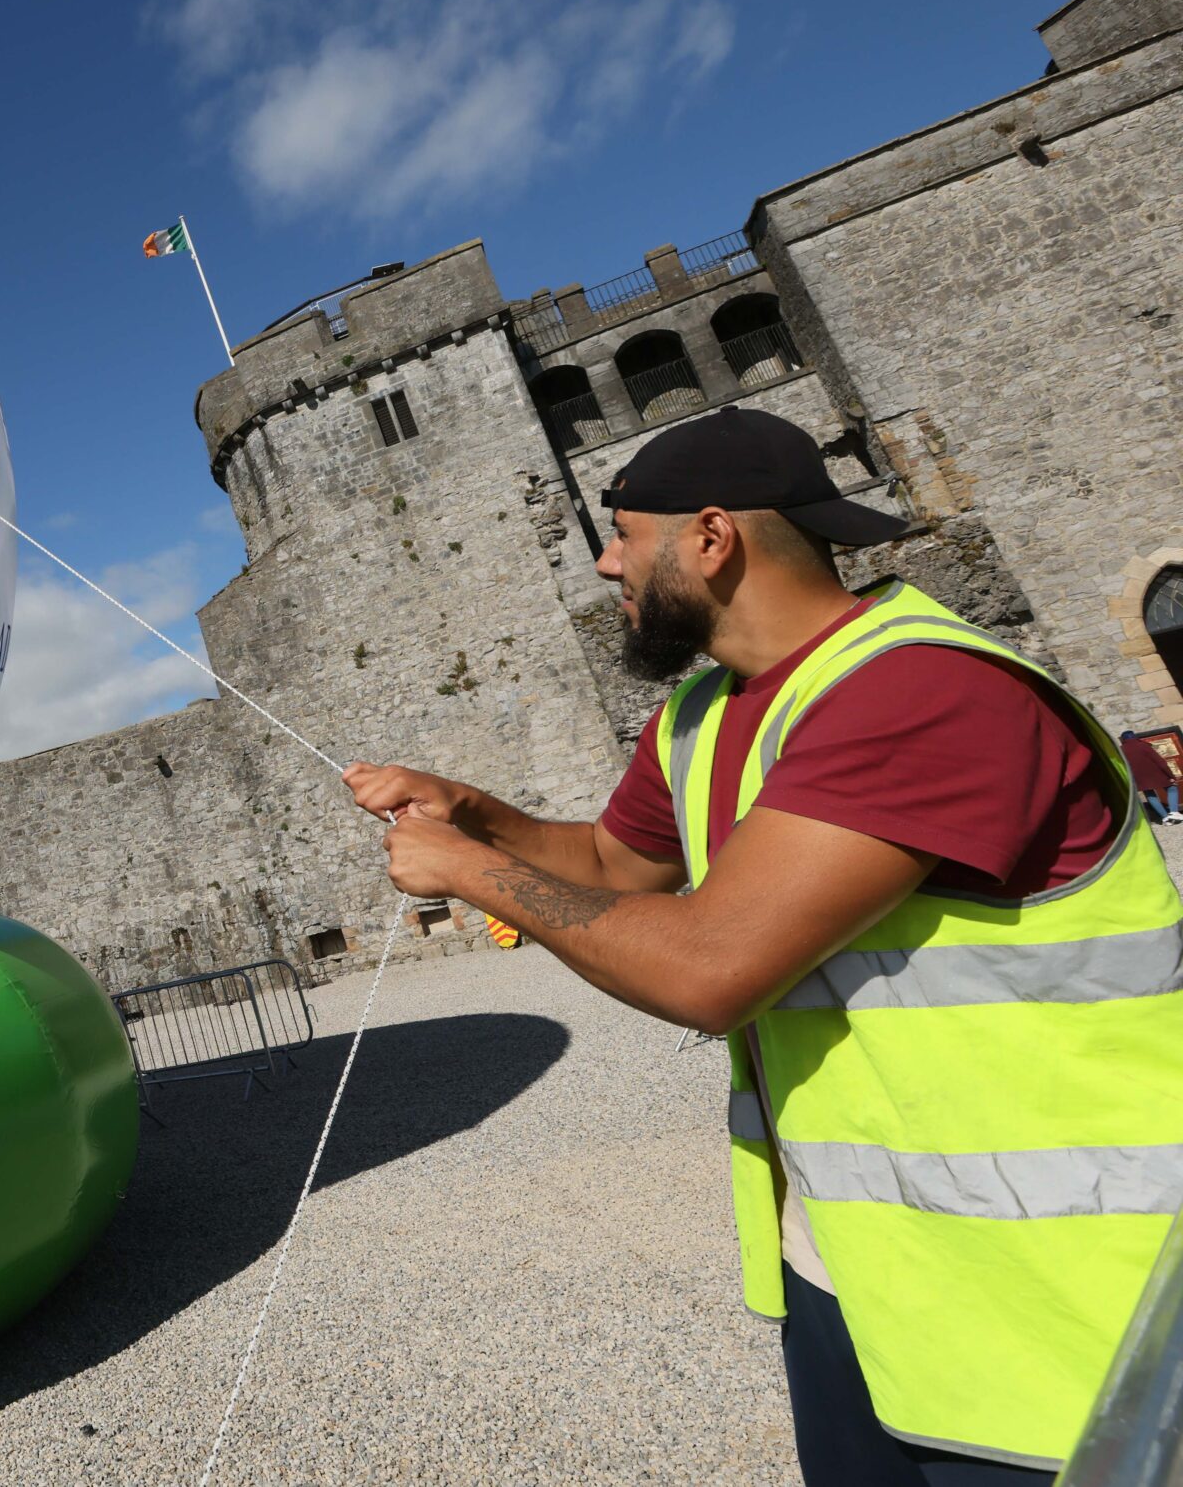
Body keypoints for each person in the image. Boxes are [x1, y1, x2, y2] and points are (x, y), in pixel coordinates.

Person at [343, 406, 1183, 1485]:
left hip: (1062, 1291)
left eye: (620, 536)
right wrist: (475, 814)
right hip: (855, 1271)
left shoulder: (919, 688)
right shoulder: (701, 711)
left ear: (707, 539)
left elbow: (709, 967)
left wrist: (466, 872)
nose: (605, 565)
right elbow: (609, 864)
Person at [1116, 728, 1182, 824]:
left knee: (1150, 795)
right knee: (1172, 788)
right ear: (1134, 736)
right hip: (1156, 774)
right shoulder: (1143, 746)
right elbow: (1160, 762)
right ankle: (1174, 812)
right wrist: (1170, 775)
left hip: (1139, 778)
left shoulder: (1121, 750)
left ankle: (1165, 818)